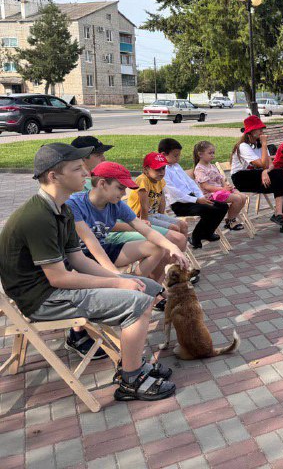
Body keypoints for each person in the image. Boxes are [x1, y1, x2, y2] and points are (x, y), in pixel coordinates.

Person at [0, 144, 177, 401]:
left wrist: (119, 279)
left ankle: (132, 361)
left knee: (147, 288)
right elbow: (58, 278)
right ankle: (131, 378)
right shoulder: (38, 217)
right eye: (77, 169)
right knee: (138, 302)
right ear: (54, 176)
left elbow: (78, 258)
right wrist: (118, 286)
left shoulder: (63, 209)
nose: (86, 174)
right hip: (43, 299)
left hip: (58, 288)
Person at [66, 162, 189, 288]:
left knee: (158, 248)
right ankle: (130, 286)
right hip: (78, 256)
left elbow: (145, 230)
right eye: (120, 188)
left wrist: (172, 247)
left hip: (102, 249)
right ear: (102, 183)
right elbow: (90, 242)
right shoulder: (74, 204)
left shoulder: (117, 205)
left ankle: (137, 284)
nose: (124, 193)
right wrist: (114, 274)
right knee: (118, 279)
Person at [229, 115, 283, 233]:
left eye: (262, 128)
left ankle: (280, 215)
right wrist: (264, 146)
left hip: (257, 175)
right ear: (250, 131)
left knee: (282, 177)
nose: (262, 131)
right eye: (259, 129)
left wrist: (266, 171)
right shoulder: (243, 146)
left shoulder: (260, 145)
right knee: (281, 178)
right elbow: (261, 164)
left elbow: (271, 164)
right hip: (241, 178)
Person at [159, 138, 229, 249]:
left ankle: (207, 233)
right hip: (179, 204)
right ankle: (195, 237)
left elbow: (190, 183)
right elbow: (175, 193)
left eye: (179, 155)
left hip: (193, 198)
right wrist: (197, 200)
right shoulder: (162, 171)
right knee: (209, 210)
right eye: (175, 156)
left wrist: (200, 197)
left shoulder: (176, 166)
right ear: (163, 154)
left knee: (222, 206)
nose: (178, 158)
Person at [192, 141, 246, 231]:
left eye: (213, 153)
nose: (212, 155)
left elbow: (221, 179)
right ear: (200, 154)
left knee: (243, 197)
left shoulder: (212, 166)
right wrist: (223, 189)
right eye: (210, 153)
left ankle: (231, 218)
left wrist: (227, 187)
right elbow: (206, 187)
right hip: (210, 195)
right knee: (237, 199)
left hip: (221, 191)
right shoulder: (199, 169)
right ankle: (230, 221)